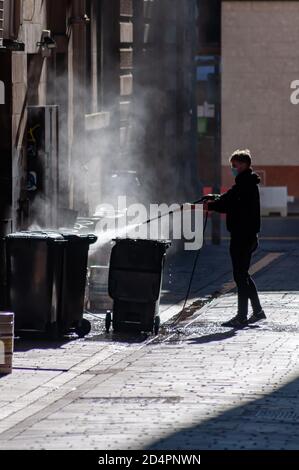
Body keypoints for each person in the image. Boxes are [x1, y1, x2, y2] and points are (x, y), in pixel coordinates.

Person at [205, 149, 266, 328]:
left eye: (235, 165)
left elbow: (229, 202)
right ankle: (258, 311)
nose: (233, 168)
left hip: (242, 237)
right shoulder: (246, 183)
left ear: (244, 164)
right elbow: (230, 199)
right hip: (247, 236)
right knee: (243, 274)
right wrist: (214, 199)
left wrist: (212, 205)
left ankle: (242, 316)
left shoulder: (244, 184)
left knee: (240, 276)